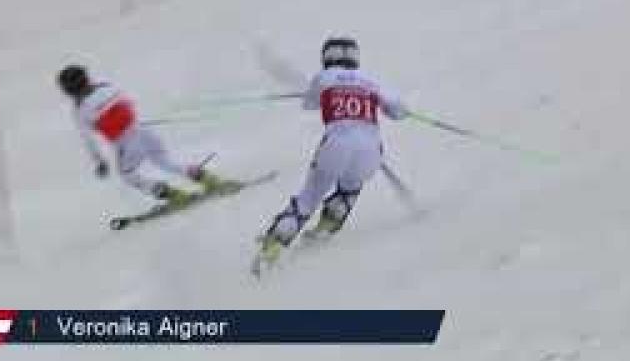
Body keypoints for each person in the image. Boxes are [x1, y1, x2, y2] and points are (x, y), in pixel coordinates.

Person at [253, 37, 408, 272]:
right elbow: (398, 111)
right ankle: (328, 224)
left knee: (309, 197)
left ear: (327, 57)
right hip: (371, 150)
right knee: (350, 187)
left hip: (336, 145)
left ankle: (274, 243)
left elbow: (310, 103)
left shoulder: (324, 77)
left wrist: (313, 95)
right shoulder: (371, 82)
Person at [56, 64, 236, 207]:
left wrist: (99, 162)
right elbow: (127, 103)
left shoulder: (80, 110)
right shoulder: (106, 86)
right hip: (144, 131)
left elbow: (89, 141)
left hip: (125, 144)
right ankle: (208, 179)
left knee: (128, 176)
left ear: (69, 91)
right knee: (165, 162)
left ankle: (170, 193)